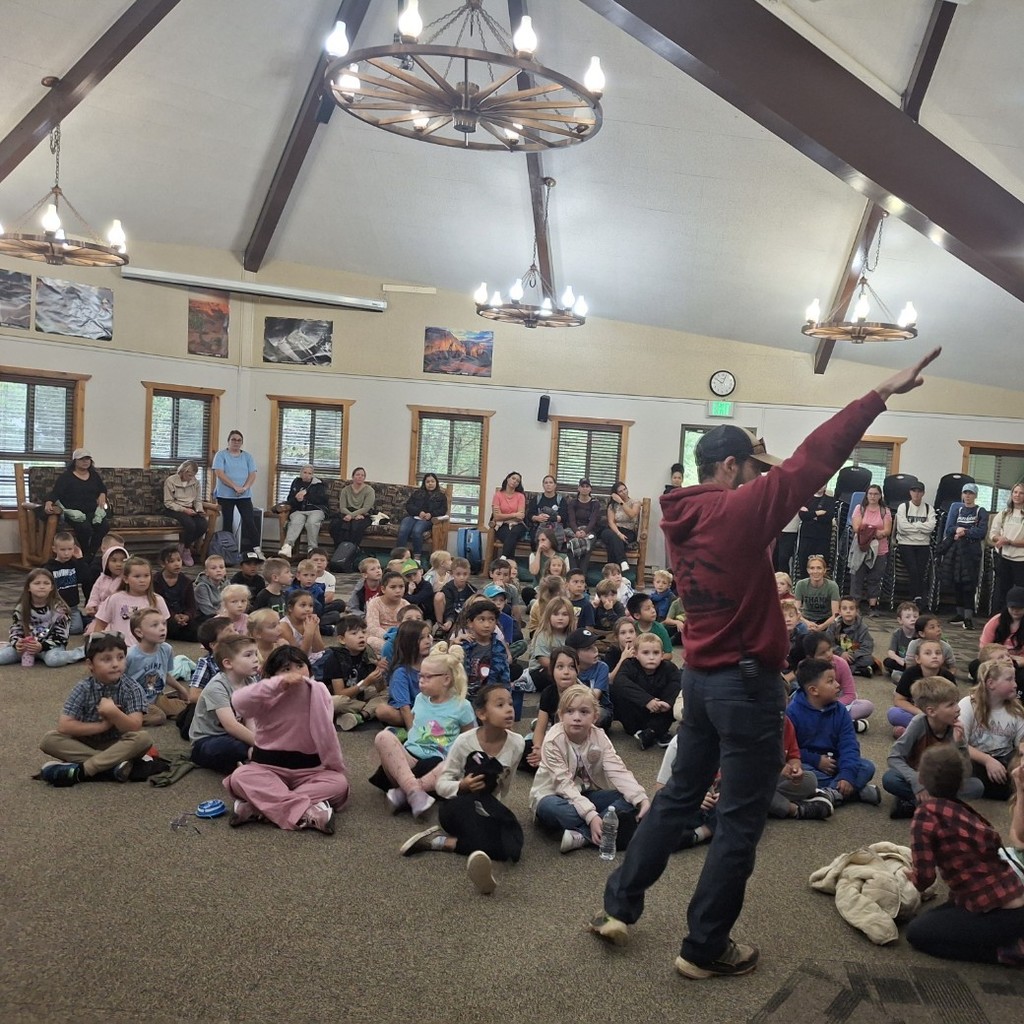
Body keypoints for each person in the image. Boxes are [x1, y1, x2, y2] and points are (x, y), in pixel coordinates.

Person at [588, 348, 942, 979]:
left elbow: (789, 468)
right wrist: (879, 393)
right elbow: (815, 458)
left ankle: (619, 908)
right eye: (752, 466)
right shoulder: (738, 509)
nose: (758, 477)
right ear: (730, 465)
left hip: (701, 679)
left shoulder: (679, 514)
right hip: (746, 686)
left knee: (677, 798)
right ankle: (704, 948)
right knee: (739, 821)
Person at [905, 745, 1024, 967]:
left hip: (999, 914)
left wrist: (911, 878)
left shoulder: (925, 815)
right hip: (1014, 900)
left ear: (920, 778)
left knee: (917, 932)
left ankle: (1008, 952)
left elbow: (925, 877)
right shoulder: (966, 811)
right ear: (962, 783)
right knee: (939, 914)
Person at [400, 684, 525, 895]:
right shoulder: (464, 741)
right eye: (500, 705)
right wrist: (462, 785)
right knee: (491, 838)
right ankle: (448, 843)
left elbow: (504, 785)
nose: (509, 710)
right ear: (482, 714)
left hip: (485, 804)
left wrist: (496, 813)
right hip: (457, 805)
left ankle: (441, 843)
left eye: (510, 704)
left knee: (513, 847)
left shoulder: (517, 743)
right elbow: (441, 785)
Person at [224, 645, 349, 834]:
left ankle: (259, 806)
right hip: (267, 768)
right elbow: (239, 701)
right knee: (240, 777)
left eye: (300, 666)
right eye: (286, 669)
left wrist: (333, 763)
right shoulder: (265, 694)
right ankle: (306, 812)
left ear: (309, 668)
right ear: (273, 675)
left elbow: (327, 733)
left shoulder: (319, 690)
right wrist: (277, 684)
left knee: (339, 784)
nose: (295, 673)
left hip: (310, 771)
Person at [530, 684, 650, 854]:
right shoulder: (552, 742)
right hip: (554, 795)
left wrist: (640, 798)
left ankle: (583, 835)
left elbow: (617, 769)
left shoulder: (599, 736)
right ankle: (601, 826)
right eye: (570, 711)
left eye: (584, 712)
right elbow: (563, 785)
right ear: (561, 715)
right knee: (551, 807)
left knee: (628, 798)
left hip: (586, 793)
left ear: (595, 716)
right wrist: (591, 816)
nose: (576, 718)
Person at [371, 642, 475, 819]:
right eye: (420, 676)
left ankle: (406, 791)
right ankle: (413, 790)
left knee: (454, 762)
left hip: (436, 766)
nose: (421, 680)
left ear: (446, 679)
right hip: (408, 759)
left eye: (428, 677)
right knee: (383, 737)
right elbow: (416, 729)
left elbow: (469, 740)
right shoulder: (420, 698)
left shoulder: (462, 706)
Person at [36, 632, 153, 786]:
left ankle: (83, 770)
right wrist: (102, 726)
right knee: (49, 739)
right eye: (106, 659)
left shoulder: (132, 688)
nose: (115, 664)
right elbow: (64, 726)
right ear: (90, 664)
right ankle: (111, 767)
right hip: (85, 743)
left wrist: (113, 713)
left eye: (120, 657)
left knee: (143, 739)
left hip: (118, 744)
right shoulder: (83, 688)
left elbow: (135, 726)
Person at [882, 675, 983, 818]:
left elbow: (965, 772)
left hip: (942, 782)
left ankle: (916, 804)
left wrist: (959, 744)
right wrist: (915, 780)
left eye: (956, 702)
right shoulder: (918, 723)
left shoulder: (956, 728)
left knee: (976, 786)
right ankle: (941, 807)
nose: (958, 709)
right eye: (951, 705)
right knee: (890, 779)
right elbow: (894, 757)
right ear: (931, 711)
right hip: (917, 777)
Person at [785, 658, 879, 809]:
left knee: (867, 767)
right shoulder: (792, 713)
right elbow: (790, 751)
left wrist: (847, 774)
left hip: (836, 763)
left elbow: (849, 745)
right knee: (802, 774)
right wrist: (816, 760)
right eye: (830, 681)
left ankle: (828, 794)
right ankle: (853, 792)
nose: (837, 685)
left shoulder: (840, 710)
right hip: (810, 764)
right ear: (813, 690)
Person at [189, 635, 260, 774]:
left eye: (256, 654)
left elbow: (250, 718)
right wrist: (261, 746)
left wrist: (255, 741)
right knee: (233, 748)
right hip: (207, 741)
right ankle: (246, 762)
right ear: (228, 663)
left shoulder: (250, 681)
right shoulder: (217, 687)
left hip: (235, 735)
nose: (256, 659)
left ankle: (247, 761)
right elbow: (231, 726)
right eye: (248, 655)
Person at [959, 659, 1024, 799]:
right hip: (976, 758)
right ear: (991, 684)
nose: (1015, 684)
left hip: (1005, 759)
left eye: (1014, 679)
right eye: (1009, 680)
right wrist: (987, 760)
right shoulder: (968, 704)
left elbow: (1020, 744)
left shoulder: (1016, 710)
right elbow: (960, 744)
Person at [0, 567, 84, 668]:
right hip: (27, 647)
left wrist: (42, 646)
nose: (42, 587)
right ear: (28, 587)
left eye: (46, 583)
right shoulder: (21, 607)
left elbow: (62, 636)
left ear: (52, 587)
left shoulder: (60, 609)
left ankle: (82, 652)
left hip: (50, 646)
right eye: (37, 583)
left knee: (54, 660)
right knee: (1, 657)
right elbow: (16, 628)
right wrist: (17, 643)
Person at [611, 631, 680, 749]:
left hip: (660, 712)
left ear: (662, 655)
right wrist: (647, 700)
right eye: (645, 653)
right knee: (616, 691)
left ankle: (652, 732)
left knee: (678, 697)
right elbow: (620, 681)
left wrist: (668, 703)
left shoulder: (669, 668)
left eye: (656, 653)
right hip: (635, 715)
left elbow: (677, 684)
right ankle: (652, 732)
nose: (651, 657)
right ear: (636, 654)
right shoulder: (629, 665)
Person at [318, 613, 385, 729]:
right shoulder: (335, 658)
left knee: (389, 693)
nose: (361, 636)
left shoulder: (368, 652)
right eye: (354, 633)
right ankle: (369, 711)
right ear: (342, 639)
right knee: (335, 702)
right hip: (342, 697)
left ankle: (359, 716)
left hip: (359, 695)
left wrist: (379, 673)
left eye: (363, 632)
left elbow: (380, 689)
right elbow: (340, 693)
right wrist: (365, 683)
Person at [124, 607, 189, 725]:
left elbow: (165, 674)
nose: (162, 628)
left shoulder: (166, 649)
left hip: (157, 696)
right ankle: (125, 716)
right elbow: (118, 680)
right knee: (158, 717)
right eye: (155, 625)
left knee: (187, 710)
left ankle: (155, 708)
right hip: (135, 700)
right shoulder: (131, 655)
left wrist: (180, 689)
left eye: (164, 623)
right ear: (139, 632)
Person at [89, 556, 170, 648]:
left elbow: (163, 626)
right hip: (121, 649)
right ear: (126, 579)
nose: (142, 580)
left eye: (146, 576)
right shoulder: (115, 599)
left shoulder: (157, 600)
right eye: (137, 576)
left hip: (148, 649)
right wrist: (96, 647)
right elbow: (100, 624)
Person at [42, 448, 109, 559]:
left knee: (104, 526)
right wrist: (49, 502)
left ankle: (90, 554)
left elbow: (102, 488)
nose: (85, 461)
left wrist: (102, 494)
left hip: (92, 511)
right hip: (73, 513)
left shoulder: (94, 475)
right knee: (85, 528)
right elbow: (55, 493)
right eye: (82, 459)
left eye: (87, 459)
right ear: (75, 461)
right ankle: (86, 553)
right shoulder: (66, 477)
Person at [940, 483, 989, 630]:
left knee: (969, 584)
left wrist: (965, 532)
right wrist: (958, 529)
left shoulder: (981, 511)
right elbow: (949, 529)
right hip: (956, 550)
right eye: (965, 493)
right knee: (957, 582)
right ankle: (959, 614)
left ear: (975, 495)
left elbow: (981, 532)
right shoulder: (958, 510)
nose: (967, 496)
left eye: (970, 493)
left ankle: (968, 617)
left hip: (972, 551)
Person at [887, 637, 956, 736]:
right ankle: (924, 732)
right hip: (916, 713)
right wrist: (920, 713)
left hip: (938, 716)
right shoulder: (910, 673)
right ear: (918, 659)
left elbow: (953, 704)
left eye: (938, 653)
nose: (934, 656)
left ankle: (913, 732)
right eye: (928, 653)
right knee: (894, 713)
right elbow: (899, 700)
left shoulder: (947, 676)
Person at [212, 430, 261, 557]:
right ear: (228, 441)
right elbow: (219, 473)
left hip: (244, 495)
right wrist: (235, 487)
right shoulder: (221, 455)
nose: (236, 442)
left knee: (250, 521)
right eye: (233, 439)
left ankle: (257, 551)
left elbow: (252, 474)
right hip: (225, 495)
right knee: (228, 522)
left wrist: (244, 488)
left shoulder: (248, 457)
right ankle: (228, 552)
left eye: (239, 440)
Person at [378, 618, 433, 731]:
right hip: (409, 711)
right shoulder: (401, 673)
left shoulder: (433, 664)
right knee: (382, 711)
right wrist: (413, 735)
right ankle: (410, 729)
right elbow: (404, 708)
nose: (428, 641)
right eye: (421, 638)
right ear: (409, 643)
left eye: (428, 636)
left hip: (430, 708)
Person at [849, 484, 891, 617]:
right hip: (861, 548)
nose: (873, 496)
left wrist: (868, 530)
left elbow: (887, 531)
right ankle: (855, 606)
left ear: (880, 496)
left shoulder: (885, 511)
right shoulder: (859, 509)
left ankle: (873, 606)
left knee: (875, 578)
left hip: (880, 550)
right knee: (857, 577)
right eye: (870, 494)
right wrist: (874, 532)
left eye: (876, 494)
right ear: (866, 495)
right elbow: (856, 527)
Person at [895, 479, 935, 606]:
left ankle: (917, 598)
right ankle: (917, 597)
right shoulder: (903, 507)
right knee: (913, 570)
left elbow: (931, 527)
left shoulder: (929, 508)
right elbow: (902, 527)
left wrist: (913, 526)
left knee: (921, 571)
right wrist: (921, 527)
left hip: (923, 545)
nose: (916, 494)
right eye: (914, 491)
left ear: (923, 493)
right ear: (910, 492)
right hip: (905, 544)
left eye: (919, 491)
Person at [278, 464, 329, 560]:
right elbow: (290, 499)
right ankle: (287, 546)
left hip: (316, 510)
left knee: (312, 522)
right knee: (296, 521)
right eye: (305, 472)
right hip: (299, 510)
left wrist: (306, 495)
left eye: (309, 473)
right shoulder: (296, 483)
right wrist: (297, 499)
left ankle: (312, 549)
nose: (307, 475)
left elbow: (322, 499)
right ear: (301, 473)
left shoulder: (319, 484)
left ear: (312, 475)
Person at [162, 459, 208, 566]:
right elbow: (168, 502)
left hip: (190, 508)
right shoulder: (170, 481)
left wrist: (199, 509)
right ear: (183, 471)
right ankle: (187, 550)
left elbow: (197, 500)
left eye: (194, 475)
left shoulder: (196, 483)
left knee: (203, 524)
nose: (192, 478)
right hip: (174, 509)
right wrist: (184, 510)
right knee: (190, 524)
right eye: (190, 475)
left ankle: (182, 546)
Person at [43, 530, 90, 634]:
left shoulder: (75, 564)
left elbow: (85, 577)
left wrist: (80, 558)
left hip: (72, 607)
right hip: (55, 607)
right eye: (62, 549)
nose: (66, 553)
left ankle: (81, 619)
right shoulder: (49, 567)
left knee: (76, 629)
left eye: (70, 549)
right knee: (46, 627)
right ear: (54, 549)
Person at [396, 472, 448, 560]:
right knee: (403, 531)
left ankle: (417, 557)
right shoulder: (417, 493)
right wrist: (419, 512)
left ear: (436, 483)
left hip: (427, 520)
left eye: (432, 481)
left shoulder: (441, 496)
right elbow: (409, 505)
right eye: (428, 482)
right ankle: (399, 556)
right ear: (424, 483)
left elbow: (443, 510)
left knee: (417, 531)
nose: (430, 484)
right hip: (413, 517)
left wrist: (431, 514)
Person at [989, 484, 1024, 613]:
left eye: (1021, 493)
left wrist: (1010, 541)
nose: (1017, 495)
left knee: (1020, 593)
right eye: (1015, 492)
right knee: (1002, 592)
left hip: (1021, 560)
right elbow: (993, 534)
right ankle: (1001, 618)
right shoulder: (1004, 513)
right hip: (1004, 558)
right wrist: (1000, 539)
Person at [155, 545, 199, 642]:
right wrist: (173, 616)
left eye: (179, 560)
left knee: (196, 630)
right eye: (171, 561)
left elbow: (191, 606)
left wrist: (187, 616)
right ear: (163, 564)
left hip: (182, 617)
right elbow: (155, 605)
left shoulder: (186, 582)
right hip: (164, 616)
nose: (177, 564)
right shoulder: (155, 581)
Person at [826, 596, 875, 677]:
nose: (848, 611)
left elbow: (867, 647)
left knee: (869, 659)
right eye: (844, 608)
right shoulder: (834, 625)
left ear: (857, 611)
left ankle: (847, 669)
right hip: (838, 655)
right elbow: (828, 642)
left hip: (854, 657)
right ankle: (858, 670)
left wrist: (852, 655)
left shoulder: (863, 628)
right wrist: (841, 653)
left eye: (851, 608)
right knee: (823, 658)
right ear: (840, 611)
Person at [795, 487, 836, 582]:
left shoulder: (830, 500)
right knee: (804, 562)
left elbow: (828, 517)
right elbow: (802, 516)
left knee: (821, 563)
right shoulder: (806, 499)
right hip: (807, 536)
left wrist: (811, 515)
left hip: (823, 537)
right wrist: (818, 513)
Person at [328, 467, 375, 550]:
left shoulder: (369, 490)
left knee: (355, 527)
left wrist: (352, 516)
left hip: (363, 515)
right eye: (358, 475)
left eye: (362, 475)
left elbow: (366, 508)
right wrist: (350, 515)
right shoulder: (345, 490)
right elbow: (342, 507)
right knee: (336, 525)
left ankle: (351, 551)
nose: (360, 477)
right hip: (346, 513)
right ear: (353, 477)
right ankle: (339, 550)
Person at [601, 481, 642, 571]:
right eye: (620, 491)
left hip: (628, 532)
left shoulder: (635, 502)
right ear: (616, 494)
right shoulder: (612, 505)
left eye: (625, 489)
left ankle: (610, 572)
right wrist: (619, 534)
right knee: (613, 537)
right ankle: (622, 561)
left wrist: (621, 502)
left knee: (612, 544)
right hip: (613, 530)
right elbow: (611, 522)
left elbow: (632, 515)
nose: (624, 492)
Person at [794, 555, 839, 630]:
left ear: (824, 570)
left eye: (819, 568)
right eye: (812, 568)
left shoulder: (832, 586)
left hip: (826, 620)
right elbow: (796, 611)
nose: (815, 571)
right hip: (806, 619)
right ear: (808, 570)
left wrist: (822, 627)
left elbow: (835, 614)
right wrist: (807, 623)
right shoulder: (801, 585)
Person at [491, 471, 527, 558]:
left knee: (513, 533)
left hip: (518, 525)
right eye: (513, 478)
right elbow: (496, 517)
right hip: (502, 525)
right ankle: (510, 561)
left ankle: (503, 558)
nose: (515, 481)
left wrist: (503, 516)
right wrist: (514, 515)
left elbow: (520, 517)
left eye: (517, 481)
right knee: (510, 537)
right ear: (508, 479)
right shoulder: (498, 495)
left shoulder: (520, 496)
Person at [527, 475, 564, 546]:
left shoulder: (561, 500)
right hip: (538, 527)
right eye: (546, 483)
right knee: (534, 539)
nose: (548, 485)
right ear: (543, 485)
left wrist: (548, 518)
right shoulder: (537, 498)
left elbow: (563, 517)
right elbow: (529, 515)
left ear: (555, 485)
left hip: (555, 528)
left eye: (551, 482)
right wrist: (537, 518)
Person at [194, 553, 229, 622]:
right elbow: (207, 610)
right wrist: (223, 615)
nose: (218, 570)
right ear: (206, 572)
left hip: (225, 615)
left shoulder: (227, 584)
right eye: (213, 568)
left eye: (221, 567)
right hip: (206, 619)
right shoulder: (201, 587)